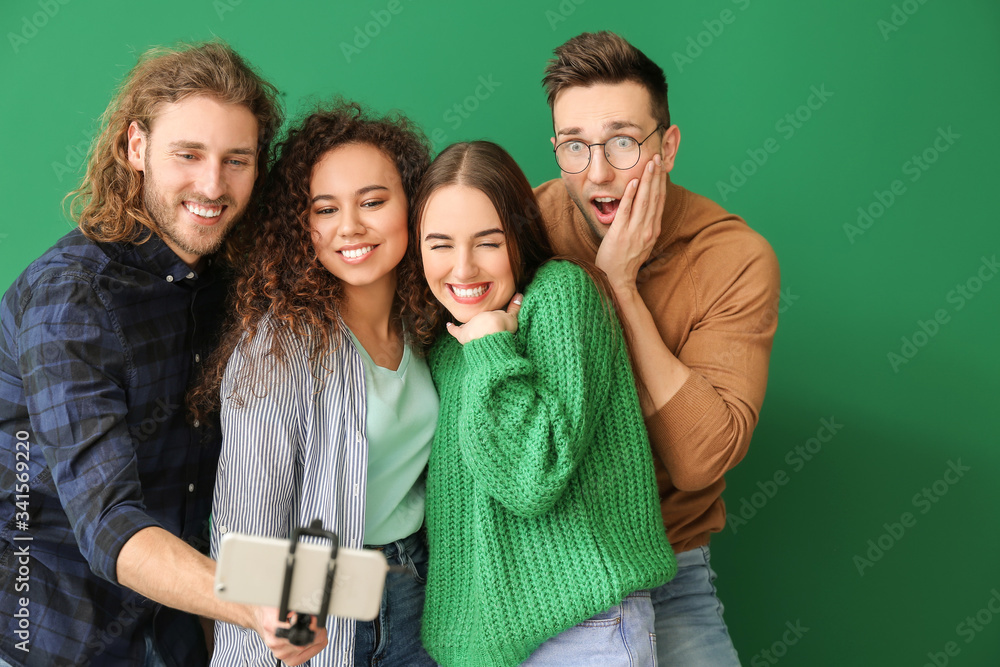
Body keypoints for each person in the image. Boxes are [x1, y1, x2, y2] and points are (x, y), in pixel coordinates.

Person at [0, 42, 327, 667]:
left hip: (175, 640)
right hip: (48, 637)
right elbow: (109, 522)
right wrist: (254, 604)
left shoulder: (230, 278)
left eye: (237, 160)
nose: (212, 184)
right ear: (136, 147)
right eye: (189, 154)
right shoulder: (70, 297)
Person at [534, 31, 782, 665]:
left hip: (671, 571)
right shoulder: (524, 225)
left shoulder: (732, 258)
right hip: (544, 568)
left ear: (667, 147)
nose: (598, 172)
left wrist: (621, 284)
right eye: (574, 146)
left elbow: (702, 459)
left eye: (623, 142)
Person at [407, 140, 676, 666]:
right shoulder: (444, 344)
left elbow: (532, 480)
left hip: (581, 630)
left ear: (518, 236)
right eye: (439, 244)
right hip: (483, 648)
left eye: (487, 242)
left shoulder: (560, 294)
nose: (462, 269)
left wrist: (490, 345)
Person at [193, 101, 438, 667]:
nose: (350, 227)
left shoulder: (426, 324)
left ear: (413, 205)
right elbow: (247, 516)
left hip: (421, 589)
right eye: (325, 209)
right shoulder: (278, 347)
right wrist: (286, 625)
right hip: (326, 607)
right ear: (303, 227)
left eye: (373, 202)